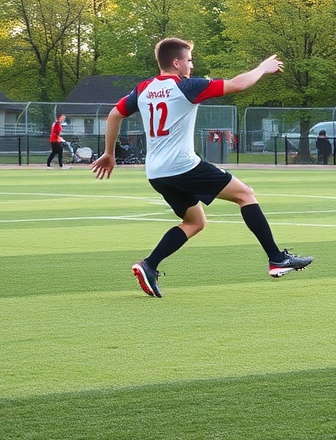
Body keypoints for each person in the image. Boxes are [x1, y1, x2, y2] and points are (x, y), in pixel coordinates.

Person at [91, 37, 313, 297]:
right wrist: (263, 67)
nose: (192, 66)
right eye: (189, 60)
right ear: (176, 62)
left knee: (194, 221)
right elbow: (239, 84)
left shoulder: (142, 90)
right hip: (183, 166)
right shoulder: (188, 87)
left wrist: (109, 153)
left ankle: (149, 265)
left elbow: (115, 114)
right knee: (245, 194)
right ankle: (277, 259)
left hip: (156, 173)